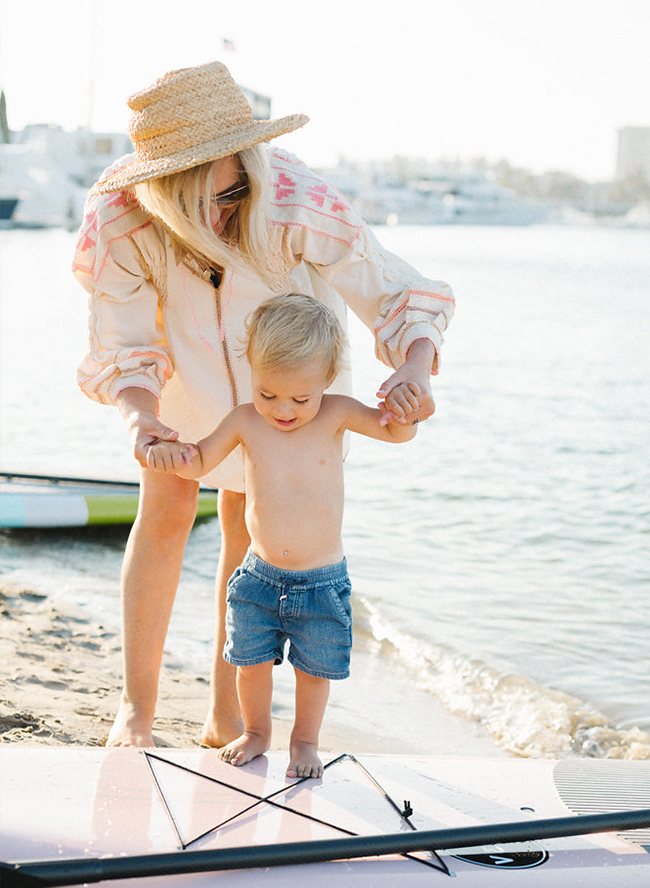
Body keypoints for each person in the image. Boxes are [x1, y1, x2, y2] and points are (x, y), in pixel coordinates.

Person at [72, 60, 455, 749]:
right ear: (165, 190)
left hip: (281, 373)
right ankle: (137, 712)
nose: (226, 213)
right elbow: (122, 343)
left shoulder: (292, 197)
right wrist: (140, 417)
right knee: (163, 505)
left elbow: (396, 290)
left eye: (237, 188)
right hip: (182, 374)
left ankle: (227, 714)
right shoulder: (122, 219)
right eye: (207, 203)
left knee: (249, 523)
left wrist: (417, 370)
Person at [146, 294, 418, 777]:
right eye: (268, 393)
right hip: (259, 577)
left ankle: (305, 742)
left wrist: (407, 409)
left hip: (321, 581)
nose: (283, 410)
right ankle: (255, 731)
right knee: (249, 663)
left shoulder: (337, 413)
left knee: (315, 672)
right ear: (252, 371)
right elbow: (202, 460)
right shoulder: (245, 420)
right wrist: (170, 453)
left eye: (300, 397)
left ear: (327, 381)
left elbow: (397, 434)